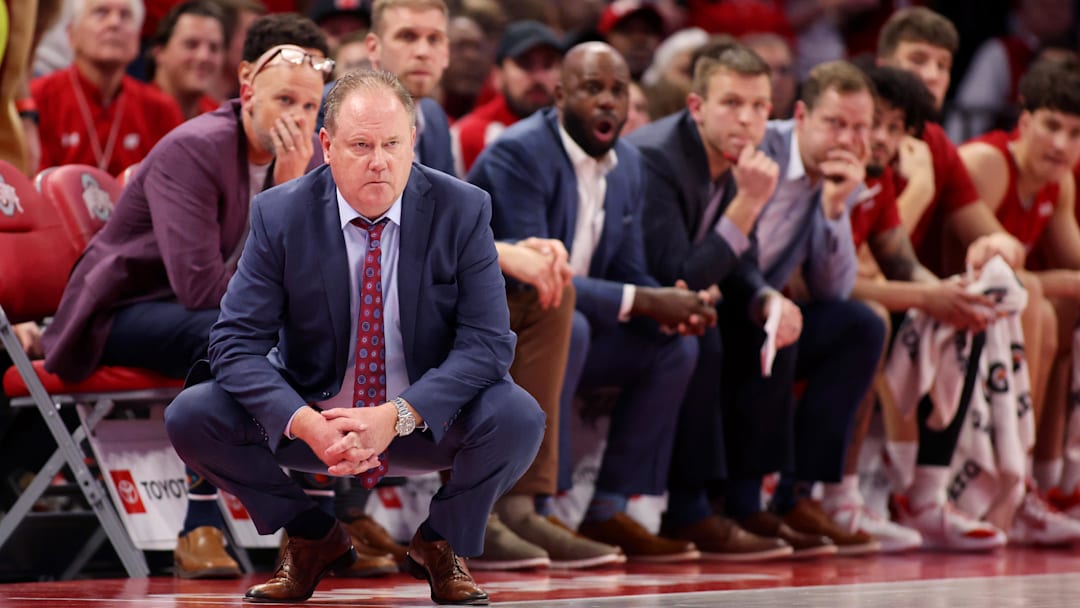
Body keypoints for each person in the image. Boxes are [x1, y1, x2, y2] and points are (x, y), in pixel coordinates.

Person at [165, 68, 544, 606]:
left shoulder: (462, 209)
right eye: (361, 145)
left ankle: (440, 543)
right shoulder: (280, 213)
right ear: (327, 144)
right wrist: (303, 423)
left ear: (414, 141)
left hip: (419, 419)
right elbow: (233, 344)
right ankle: (311, 534)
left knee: (519, 416)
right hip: (317, 419)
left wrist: (397, 415)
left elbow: (488, 344)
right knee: (191, 415)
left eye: (393, 143)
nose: (380, 162)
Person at [38, 13, 380, 580]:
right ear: (247, 90)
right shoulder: (193, 149)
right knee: (229, 334)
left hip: (209, 313)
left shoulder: (313, 157)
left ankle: (322, 513)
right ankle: (202, 526)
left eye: (308, 106)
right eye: (283, 101)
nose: (295, 118)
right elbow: (200, 289)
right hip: (122, 311)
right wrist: (286, 193)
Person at [469, 41, 715, 562]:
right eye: (591, 89)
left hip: (576, 320)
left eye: (618, 91)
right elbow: (536, 281)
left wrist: (670, 302)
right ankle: (534, 505)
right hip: (502, 329)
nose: (607, 102)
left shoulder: (627, 164)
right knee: (570, 321)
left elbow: (627, 269)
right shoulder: (520, 153)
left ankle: (609, 508)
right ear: (559, 95)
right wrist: (643, 299)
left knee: (675, 347)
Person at [627, 38, 798, 561]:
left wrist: (767, 297)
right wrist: (748, 204)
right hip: (633, 300)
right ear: (697, 106)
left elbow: (737, 259)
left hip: (682, 295)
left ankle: (747, 500)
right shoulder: (657, 157)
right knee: (705, 330)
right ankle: (690, 510)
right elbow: (676, 279)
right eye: (731, 103)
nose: (747, 119)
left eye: (759, 107)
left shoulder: (744, 156)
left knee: (777, 329)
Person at [709, 60, 885, 556]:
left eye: (858, 128)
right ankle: (740, 502)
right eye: (835, 123)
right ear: (803, 116)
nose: (846, 139)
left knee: (859, 326)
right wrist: (768, 300)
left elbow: (835, 288)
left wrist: (834, 210)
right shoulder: (759, 151)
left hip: (767, 306)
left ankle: (798, 493)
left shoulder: (836, 177)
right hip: (723, 297)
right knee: (777, 321)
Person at [827, 64, 1006, 552]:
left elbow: (901, 264)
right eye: (872, 125)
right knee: (869, 324)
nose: (880, 138)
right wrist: (930, 295)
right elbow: (837, 286)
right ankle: (837, 496)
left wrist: (951, 296)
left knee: (963, 317)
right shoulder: (828, 169)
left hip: (840, 307)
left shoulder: (878, 177)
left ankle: (926, 496)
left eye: (893, 128)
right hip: (798, 311)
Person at [958, 56, 1080, 544]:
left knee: (1061, 311)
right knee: (1037, 306)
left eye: (1074, 134)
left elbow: (1074, 261)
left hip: (996, 313)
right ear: (1024, 122)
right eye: (1051, 126)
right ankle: (1016, 478)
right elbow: (1000, 277)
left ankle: (1052, 479)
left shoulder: (1059, 180)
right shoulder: (986, 163)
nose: (1060, 144)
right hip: (945, 307)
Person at [31, 0, 183, 176]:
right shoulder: (39, 98)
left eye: (125, 15)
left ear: (137, 38)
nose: (114, 23)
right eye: (101, 13)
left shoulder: (161, 109)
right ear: (71, 35)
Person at [451, 19, 562, 177]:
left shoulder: (575, 133)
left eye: (548, 65)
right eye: (525, 64)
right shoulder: (466, 137)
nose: (538, 77)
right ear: (498, 75)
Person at [364, 0, 453, 175]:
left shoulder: (434, 117)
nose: (423, 52)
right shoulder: (331, 110)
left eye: (434, 39)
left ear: (446, 53)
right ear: (374, 48)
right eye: (407, 36)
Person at [147, 0, 227, 120]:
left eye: (214, 48)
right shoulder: (131, 110)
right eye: (191, 44)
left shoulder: (221, 118)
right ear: (159, 53)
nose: (204, 56)